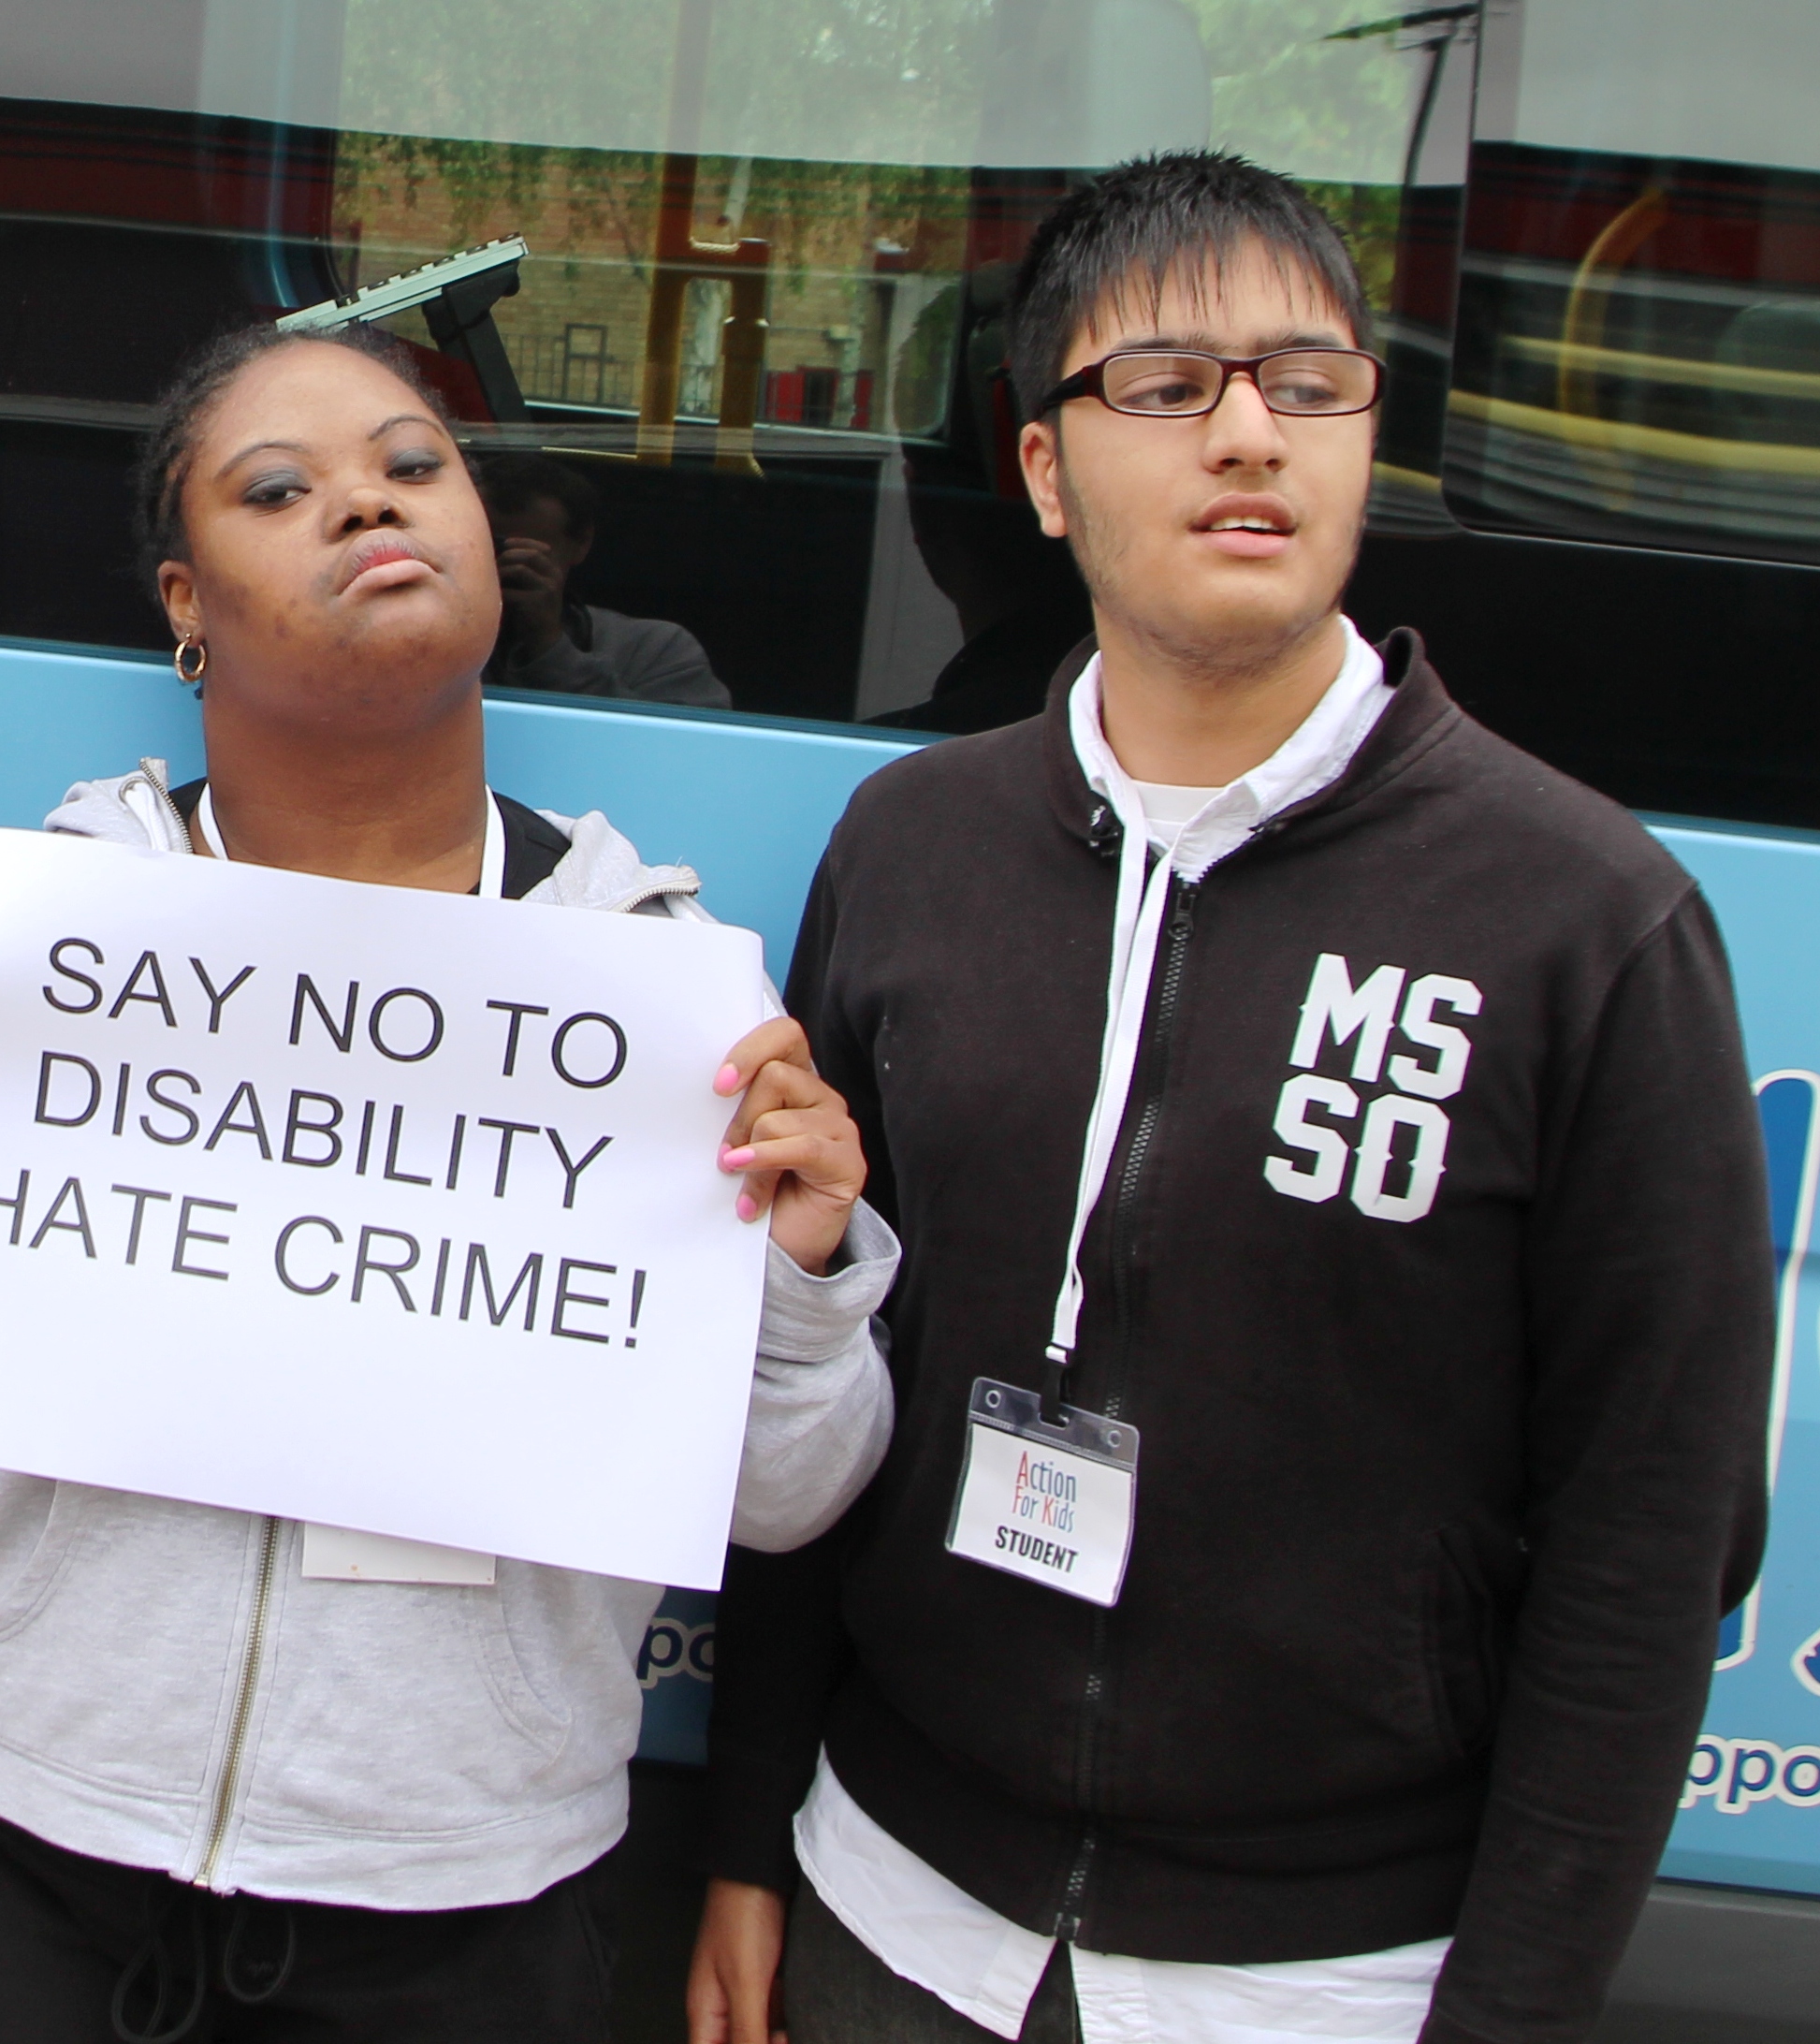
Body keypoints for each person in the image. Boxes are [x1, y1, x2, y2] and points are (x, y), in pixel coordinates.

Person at [689, 152, 1774, 2044]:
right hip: (890, 1914)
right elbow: (803, 1358)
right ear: (1040, 470)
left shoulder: (1585, 920)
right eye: (1168, 386)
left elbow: (1646, 1545)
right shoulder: (910, 849)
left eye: (1307, 381)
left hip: (1331, 1982)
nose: (1249, 434)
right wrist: (747, 1840)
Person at [0, 320, 901, 2041]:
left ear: (495, 546)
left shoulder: (661, 993)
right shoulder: (33, 944)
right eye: (282, 488)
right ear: (183, 602)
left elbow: (782, 1497)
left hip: (456, 1916)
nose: (364, 502)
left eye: (413, 466)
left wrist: (794, 1288)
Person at [477, 448, 727, 708]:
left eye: (527, 556)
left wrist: (548, 644)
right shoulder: (436, 641)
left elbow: (678, 741)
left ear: (581, 543)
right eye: (487, 547)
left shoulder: (657, 649)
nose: (503, 566)